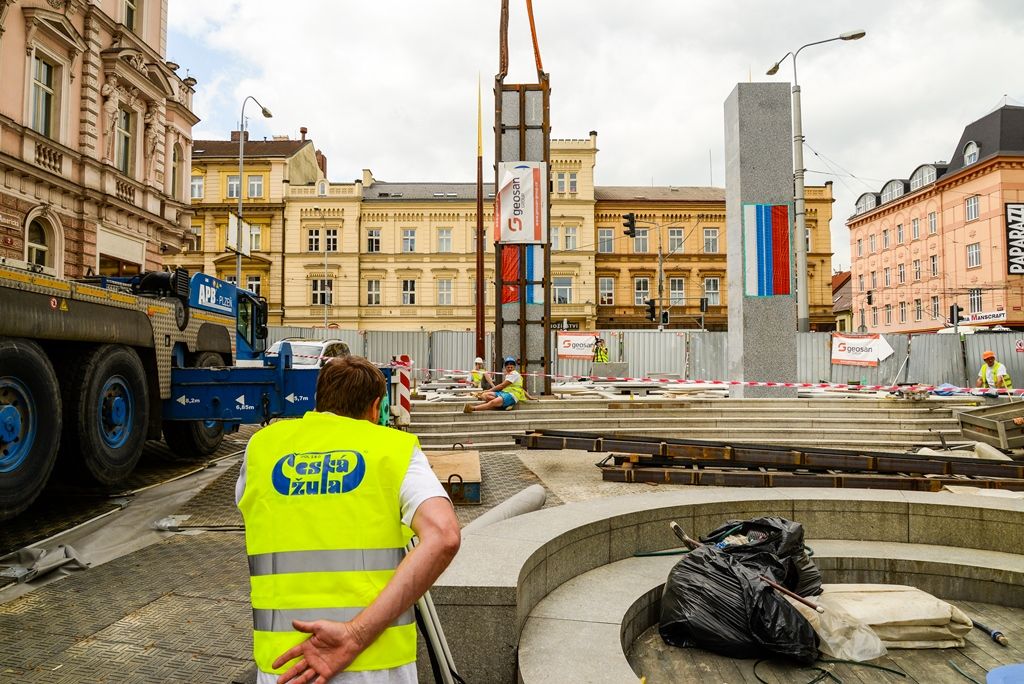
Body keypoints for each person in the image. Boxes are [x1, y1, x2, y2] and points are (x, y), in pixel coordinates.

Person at [235, 356, 461, 684]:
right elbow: (444, 535)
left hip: (285, 667)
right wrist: (355, 635)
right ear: (376, 407)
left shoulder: (262, 448)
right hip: (375, 665)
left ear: (319, 400)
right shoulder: (393, 450)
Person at [464, 356, 529, 412]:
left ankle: (473, 408)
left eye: (511, 367)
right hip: (504, 392)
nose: (510, 369)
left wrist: (490, 390)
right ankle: (504, 406)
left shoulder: (514, 374)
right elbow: (520, 387)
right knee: (485, 395)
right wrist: (529, 397)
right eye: (508, 367)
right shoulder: (473, 371)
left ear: (514, 367)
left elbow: (502, 385)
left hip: (512, 395)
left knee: (492, 402)